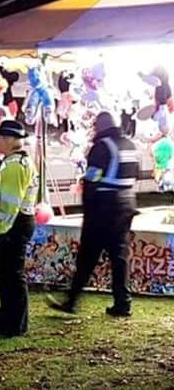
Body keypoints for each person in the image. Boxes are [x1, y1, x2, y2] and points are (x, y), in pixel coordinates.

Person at [47, 112, 139, 317]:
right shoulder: (129, 145)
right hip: (126, 203)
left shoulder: (102, 147)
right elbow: (137, 174)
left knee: (88, 255)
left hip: (104, 207)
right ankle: (123, 303)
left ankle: (71, 301)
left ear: (101, 126)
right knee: (119, 256)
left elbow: (92, 181)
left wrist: (87, 213)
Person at [0, 120, 38, 337]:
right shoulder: (15, 161)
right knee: (8, 276)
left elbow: (9, 205)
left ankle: (14, 325)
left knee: (12, 276)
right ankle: (7, 322)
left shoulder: (15, 165)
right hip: (16, 222)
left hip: (15, 224)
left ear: (10, 140)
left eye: (0, 138)